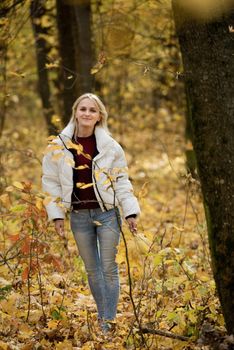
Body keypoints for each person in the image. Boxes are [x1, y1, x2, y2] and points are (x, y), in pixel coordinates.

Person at [42, 93, 140, 333]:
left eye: (92, 110)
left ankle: (107, 322)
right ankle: (104, 316)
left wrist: (130, 212)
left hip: (107, 214)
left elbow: (122, 181)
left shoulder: (110, 147)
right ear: (75, 112)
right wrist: (56, 215)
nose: (87, 113)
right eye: (83, 109)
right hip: (78, 216)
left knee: (109, 268)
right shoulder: (58, 146)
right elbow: (50, 181)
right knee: (92, 270)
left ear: (99, 117)